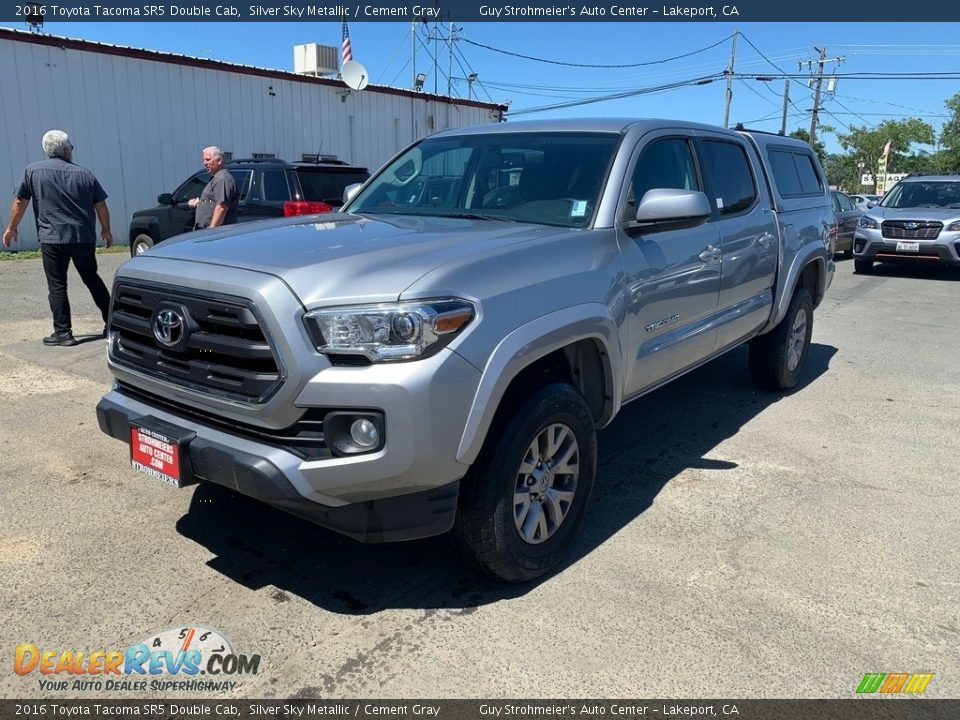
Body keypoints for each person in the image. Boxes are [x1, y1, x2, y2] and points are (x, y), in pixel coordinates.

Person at [3, 130, 112, 347]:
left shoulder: (32, 171)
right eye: (71, 147)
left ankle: (63, 333)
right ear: (65, 149)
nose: (71, 150)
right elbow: (100, 204)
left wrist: (11, 228)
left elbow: (20, 201)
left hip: (52, 238)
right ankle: (112, 324)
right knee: (92, 279)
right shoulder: (85, 174)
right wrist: (106, 230)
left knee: (57, 285)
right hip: (82, 237)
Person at [188, 146, 238, 229]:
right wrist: (199, 203)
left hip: (215, 233)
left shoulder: (222, 179)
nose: (205, 163)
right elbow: (213, 201)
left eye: (208, 159)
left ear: (219, 161)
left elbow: (222, 207)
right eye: (204, 160)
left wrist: (212, 231)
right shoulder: (216, 178)